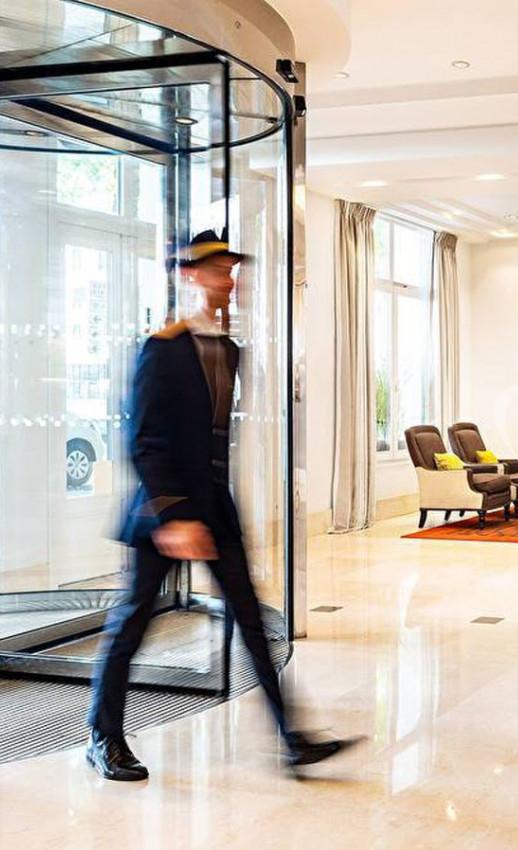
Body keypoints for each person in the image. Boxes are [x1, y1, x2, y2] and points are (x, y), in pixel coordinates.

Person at [86, 230, 356, 781]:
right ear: (189, 276)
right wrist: (174, 515)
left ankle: (291, 738)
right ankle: (103, 737)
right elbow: (144, 442)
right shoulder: (161, 348)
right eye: (216, 270)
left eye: (230, 271)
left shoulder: (228, 350)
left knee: (253, 622)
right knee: (132, 624)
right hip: (165, 516)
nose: (228, 280)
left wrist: (213, 511)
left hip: (216, 508)